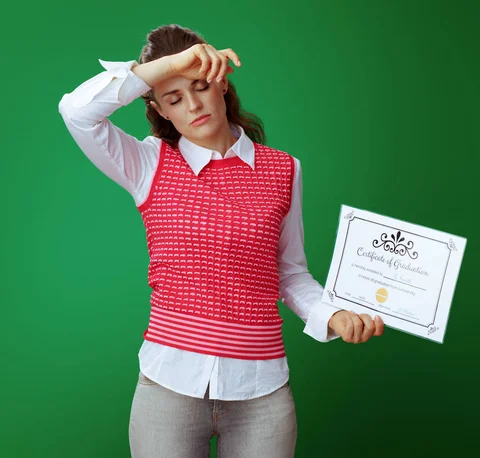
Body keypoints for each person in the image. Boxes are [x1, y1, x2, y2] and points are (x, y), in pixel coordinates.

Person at [58, 23, 384, 458]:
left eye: (200, 86)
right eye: (174, 97)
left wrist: (333, 315)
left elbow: (289, 274)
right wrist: (168, 66)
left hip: (262, 393)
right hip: (168, 388)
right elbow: (76, 111)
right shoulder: (147, 163)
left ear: (221, 82)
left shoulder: (284, 170)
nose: (193, 105)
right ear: (159, 108)